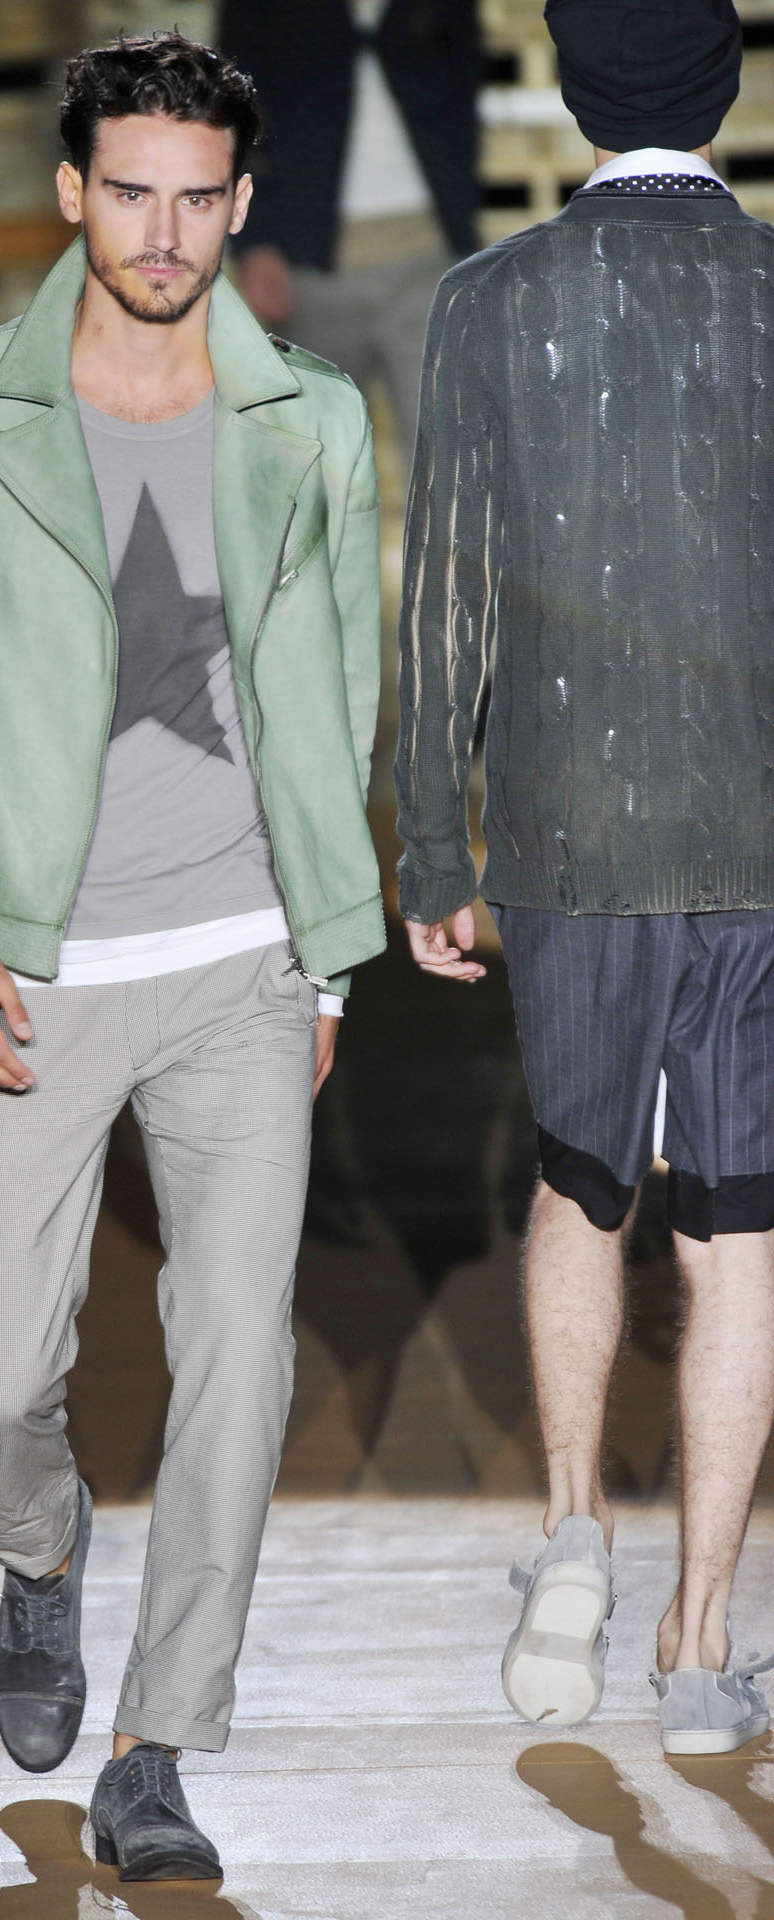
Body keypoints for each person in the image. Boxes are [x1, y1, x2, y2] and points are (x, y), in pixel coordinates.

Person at [0, 32, 385, 1880]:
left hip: (243, 959)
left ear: (239, 202)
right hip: (30, 963)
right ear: (73, 190)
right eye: (132, 191)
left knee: (240, 1358)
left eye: (199, 197)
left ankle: (160, 1748)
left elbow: (339, 691)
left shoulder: (310, 419)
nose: (165, 234)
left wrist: (327, 958)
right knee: (2, 1382)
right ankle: (43, 1543)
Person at [395, 0, 774, 1757]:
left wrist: (431, 844)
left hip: (565, 829)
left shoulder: (493, 303)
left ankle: (571, 1529)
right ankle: (702, 1651)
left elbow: (448, 593)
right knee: (743, 1234)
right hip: (762, 839)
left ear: (568, 89)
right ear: (727, 87)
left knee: (579, 1181)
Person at [219, 0, 480, 481]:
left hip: (431, 256)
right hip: (308, 267)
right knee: (322, 475)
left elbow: (465, 83)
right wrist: (254, 243)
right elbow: (237, 111)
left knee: (450, 474)